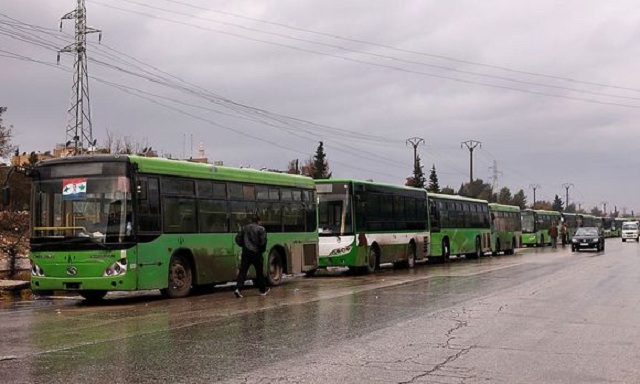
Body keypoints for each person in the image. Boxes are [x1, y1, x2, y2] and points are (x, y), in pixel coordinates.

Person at [234, 215, 270, 298]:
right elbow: (263, 242)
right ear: (258, 221)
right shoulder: (261, 229)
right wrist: (261, 251)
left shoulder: (244, 228)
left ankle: (238, 289)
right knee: (259, 272)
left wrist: (243, 246)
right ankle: (262, 290)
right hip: (256, 253)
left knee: (243, 271)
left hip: (246, 252)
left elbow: (238, 239)